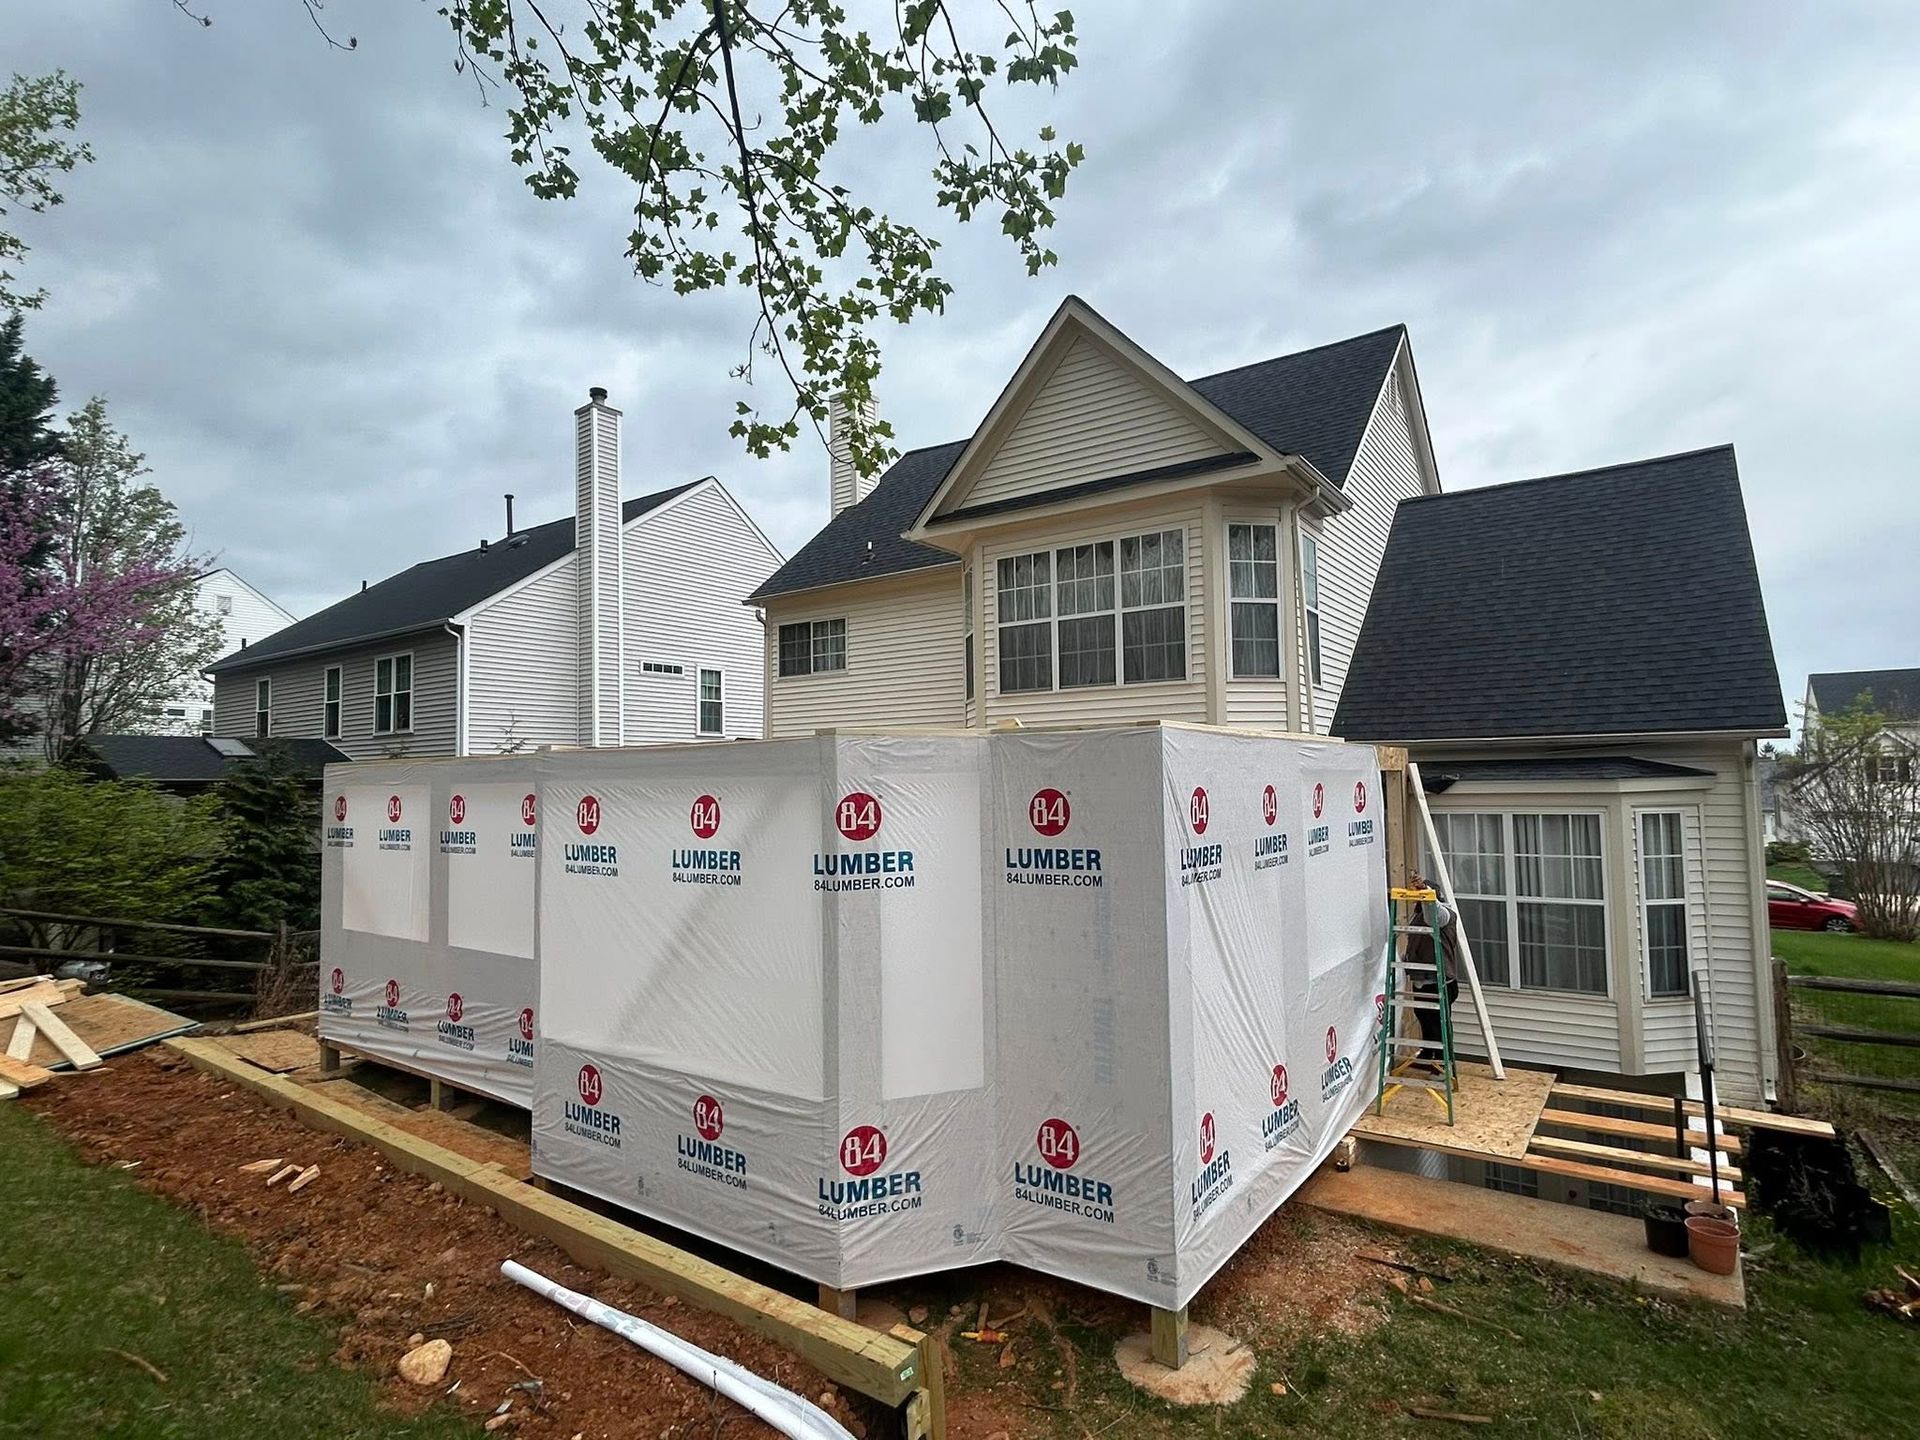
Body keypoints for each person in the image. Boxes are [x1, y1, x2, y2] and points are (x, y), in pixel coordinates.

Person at [1402, 879, 1460, 1066]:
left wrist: (1426, 893)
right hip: (1422, 979)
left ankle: (1444, 1063)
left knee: (1438, 1022)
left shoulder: (1445, 915)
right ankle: (1428, 1055)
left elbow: (1432, 915)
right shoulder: (1417, 915)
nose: (1418, 901)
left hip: (1440, 980)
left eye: (1421, 898)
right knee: (1423, 1015)